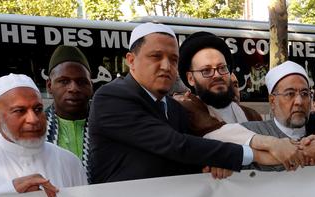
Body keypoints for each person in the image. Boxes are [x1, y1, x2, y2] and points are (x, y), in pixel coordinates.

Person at [88, 23, 259, 183]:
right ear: (131, 60)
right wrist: (253, 153)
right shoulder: (111, 97)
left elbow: (182, 159)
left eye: (173, 59)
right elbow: (175, 145)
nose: (166, 66)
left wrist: (213, 164)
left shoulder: (176, 109)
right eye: (156, 56)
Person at [0, 74, 87, 197]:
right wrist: (10, 190)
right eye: (20, 111)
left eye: (38, 109)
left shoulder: (69, 162)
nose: (33, 119)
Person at [241, 61, 315, 170]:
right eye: (290, 94)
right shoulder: (254, 130)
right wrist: (272, 144)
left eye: (304, 94)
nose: (299, 101)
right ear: (272, 101)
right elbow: (218, 138)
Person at [178, 31, 262, 123]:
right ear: (191, 78)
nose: (217, 75)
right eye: (206, 70)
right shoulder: (184, 116)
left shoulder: (252, 116)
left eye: (222, 68)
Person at [45, 45, 94, 170]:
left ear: (91, 86)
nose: (74, 89)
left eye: (82, 82)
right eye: (64, 81)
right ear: (49, 86)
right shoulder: (35, 128)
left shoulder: (107, 123)